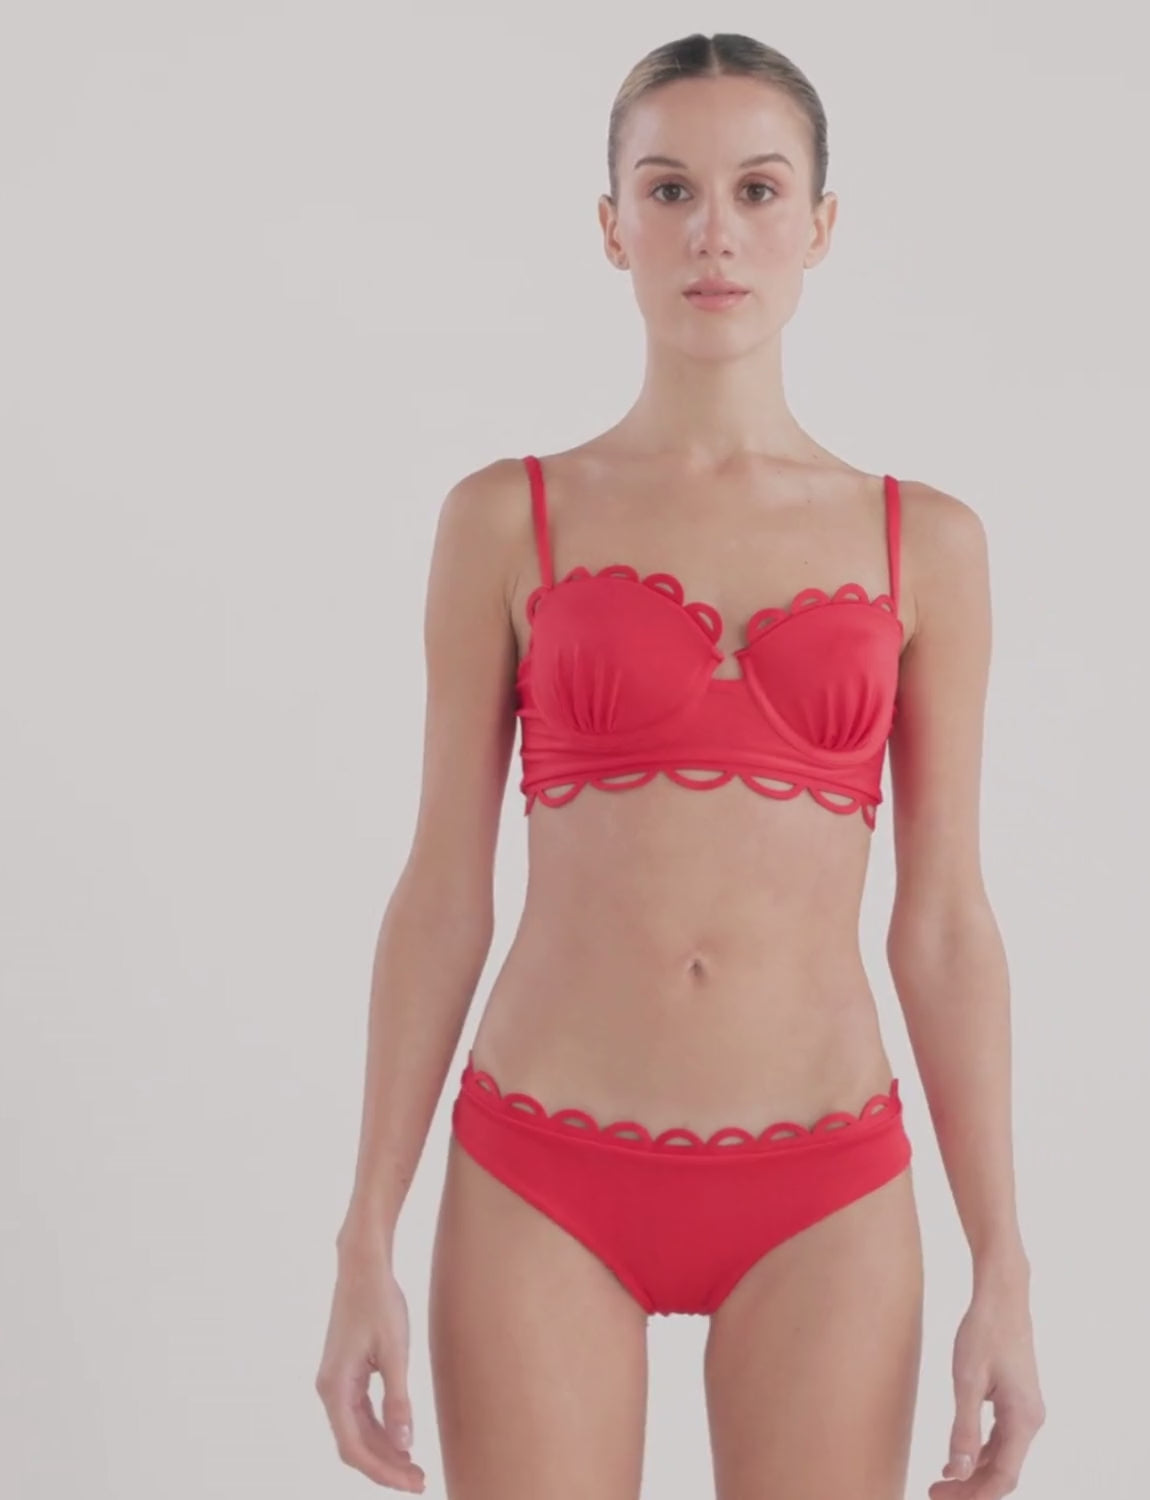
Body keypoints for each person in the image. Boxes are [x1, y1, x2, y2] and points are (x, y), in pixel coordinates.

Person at [315, 31, 1045, 1500]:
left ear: (819, 226)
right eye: (668, 190)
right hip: (539, 1167)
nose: (714, 230)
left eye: (758, 190)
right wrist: (362, 1235)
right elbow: (442, 889)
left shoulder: (925, 542)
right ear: (612, 226)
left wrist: (1004, 1266)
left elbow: (944, 920)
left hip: (824, 1184)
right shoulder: (505, 519)